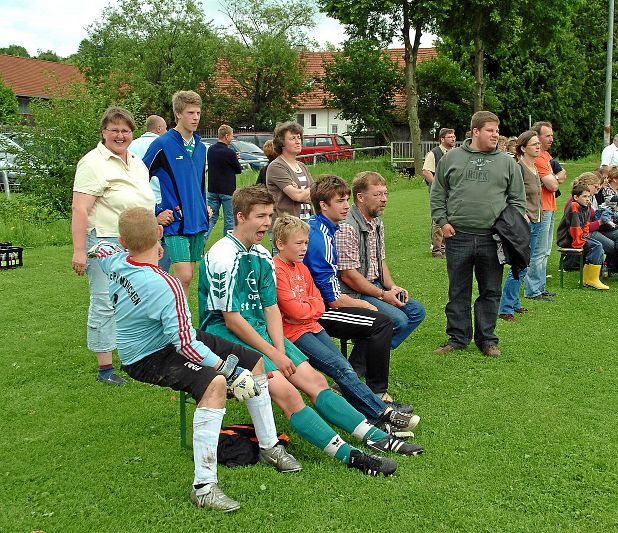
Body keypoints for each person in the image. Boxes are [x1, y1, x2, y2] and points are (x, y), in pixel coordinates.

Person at [198, 186, 410, 477]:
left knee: (315, 380)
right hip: (223, 334)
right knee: (287, 392)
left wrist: (281, 351)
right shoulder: (221, 256)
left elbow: (271, 308)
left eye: (270, 215)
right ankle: (351, 456)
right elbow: (232, 320)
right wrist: (274, 354)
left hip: (257, 328)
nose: (266, 223)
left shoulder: (260, 254)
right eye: (260, 216)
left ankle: (375, 437)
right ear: (240, 216)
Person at [91, 207, 290, 512]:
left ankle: (268, 446)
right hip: (147, 357)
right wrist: (228, 371)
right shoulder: (166, 284)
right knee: (215, 383)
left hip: (168, 342)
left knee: (254, 360)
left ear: (123, 240)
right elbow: (186, 344)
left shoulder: (115, 260)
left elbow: (102, 250)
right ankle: (204, 486)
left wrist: (103, 246)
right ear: (160, 234)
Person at [272, 214, 422, 439]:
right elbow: (293, 311)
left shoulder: (301, 268)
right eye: (299, 243)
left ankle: (375, 418)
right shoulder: (277, 270)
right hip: (293, 334)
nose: (304, 248)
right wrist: (305, 309)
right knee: (340, 368)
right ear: (280, 244)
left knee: (345, 367)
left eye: (306, 243)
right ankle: (383, 414)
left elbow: (318, 304)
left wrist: (306, 309)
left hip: (311, 325)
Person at [71, 106, 160, 385]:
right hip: (105, 240)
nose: (120, 135)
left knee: (137, 298)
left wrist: (153, 240)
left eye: (125, 130)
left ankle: (138, 355)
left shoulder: (136, 162)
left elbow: (146, 204)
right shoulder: (92, 163)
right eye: (114, 130)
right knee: (105, 300)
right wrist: (78, 251)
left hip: (138, 240)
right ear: (103, 133)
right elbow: (79, 209)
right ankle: (105, 368)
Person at [303, 175, 409, 410]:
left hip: (318, 303)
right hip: (317, 310)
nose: (345, 206)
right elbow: (332, 298)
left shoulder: (324, 229)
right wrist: (369, 304)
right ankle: (377, 393)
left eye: (346, 200)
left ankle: (359, 383)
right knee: (383, 321)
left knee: (386, 320)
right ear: (323, 205)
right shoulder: (320, 238)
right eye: (340, 201)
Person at [430, 111, 525, 357]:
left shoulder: (507, 162)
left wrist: (508, 229)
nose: (496, 135)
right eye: (491, 130)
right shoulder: (452, 158)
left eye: (497, 130)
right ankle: (457, 338)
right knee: (458, 290)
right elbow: (438, 191)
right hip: (458, 235)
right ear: (475, 132)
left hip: (492, 238)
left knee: (490, 291)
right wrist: (442, 221)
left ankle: (487, 340)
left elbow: (517, 200)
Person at [336, 171, 426, 348]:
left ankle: (369, 354)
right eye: (377, 194)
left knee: (416, 312)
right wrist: (384, 295)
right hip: (352, 292)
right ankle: (365, 361)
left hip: (374, 286)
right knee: (398, 320)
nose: (384, 199)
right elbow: (348, 276)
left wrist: (392, 287)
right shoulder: (347, 227)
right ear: (360, 197)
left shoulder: (377, 222)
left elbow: (380, 260)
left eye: (385, 193)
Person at [143, 90, 209, 292]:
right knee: (184, 276)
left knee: (188, 278)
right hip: (176, 223)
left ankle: (182, 322)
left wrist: (203, 205)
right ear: (178, 114)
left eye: (198, 113)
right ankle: (174, 321)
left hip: (198, 220)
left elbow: (199, 183)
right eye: (190, 113)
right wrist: (156, 211)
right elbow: (137, 179)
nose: (195, 117)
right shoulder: (162, 144)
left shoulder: (201, 146)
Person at [498, 129, 543, 321]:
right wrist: (522, 214)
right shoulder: (518, 167)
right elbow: (509, 194)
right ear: (523, 148)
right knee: (519, 264)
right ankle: (505, 308)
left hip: (537, 220)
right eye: (534, 144)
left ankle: (514, 303)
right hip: (524, 222)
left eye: (538, 143)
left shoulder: (534, 167)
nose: (538, 146)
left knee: (525, 264)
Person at [527, 120, 566, 302]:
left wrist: (555, 178)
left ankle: (540, 287)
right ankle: (533, 290)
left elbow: (561, 177)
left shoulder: (547, 156)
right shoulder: (539, 159)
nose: (551, 139)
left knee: (545, 250)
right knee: (538, 251)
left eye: (552, 135)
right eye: (547, 135)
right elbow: (552, 184)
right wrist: (555, 178)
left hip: (550, 206)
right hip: (541, 208)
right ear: (537, 136)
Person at [128, 115, 171, 271]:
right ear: (159, 129)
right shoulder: (162, 145)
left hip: (136, 202)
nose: (167, 132)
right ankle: (159, 274)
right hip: (158, 200)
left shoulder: (131, 145)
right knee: (161, 242)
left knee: (139, 242)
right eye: (165, 128)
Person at [556, 183, 609, 290]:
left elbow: (586, 225)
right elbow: (574, 228)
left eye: (588, 196)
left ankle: (588, 278)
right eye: (584, 196)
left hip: (579, 237)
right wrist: (579, 243)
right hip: (568, 239)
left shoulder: (586, 207)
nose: (587, 199)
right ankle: (591, 279)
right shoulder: (574, 207)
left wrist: (585, 236)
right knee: (596, 246)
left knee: (598, 245)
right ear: (576, 197)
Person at [265, 121, 313, 221]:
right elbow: (297, 196)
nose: (298, 141)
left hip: (307, 222)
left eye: (299, 137)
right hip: (286, 225)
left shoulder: (302, 166)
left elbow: (316, 193)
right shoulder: (276, 166)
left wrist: (301, 190)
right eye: (292, 138)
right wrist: (303, 192)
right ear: (282, 143)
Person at [422, 128, 456, 258]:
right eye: (449, 137)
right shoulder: (434, 153)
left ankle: (445, 247)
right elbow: (426, 171)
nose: (453, 139)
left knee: (451, 217)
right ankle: (437, 250)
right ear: (442, 139)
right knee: (438, 218)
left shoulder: (455, 153)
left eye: (453, 136)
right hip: (439, 192)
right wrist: (438, 186)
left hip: (453, 191)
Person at [206, 124, 242, 239]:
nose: (232, 138)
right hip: (227, 190)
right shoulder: (229, 152)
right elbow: (238, 170)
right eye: (231, 136)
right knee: (229, 219)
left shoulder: (211, 150)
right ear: (226, 136)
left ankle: (203, 240)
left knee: (211, 217)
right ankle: (227, 243)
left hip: (213, 188)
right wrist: (235, 159)